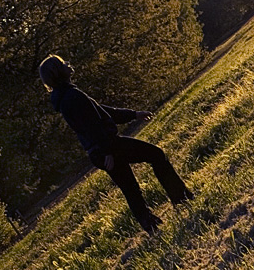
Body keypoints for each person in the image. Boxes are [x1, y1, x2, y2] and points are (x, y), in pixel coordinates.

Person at [38, 54, 193, 233]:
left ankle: (150, 225)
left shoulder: (67, 96)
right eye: (62, 63)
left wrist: (134, 114)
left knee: (130, 187)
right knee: (156, 155)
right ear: (58, 72)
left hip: (99, 151)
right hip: (108, 147)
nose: (67, 64)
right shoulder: (72, 96)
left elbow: (104, 112)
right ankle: (180, 198)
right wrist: (107, 151)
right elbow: (92, 126)